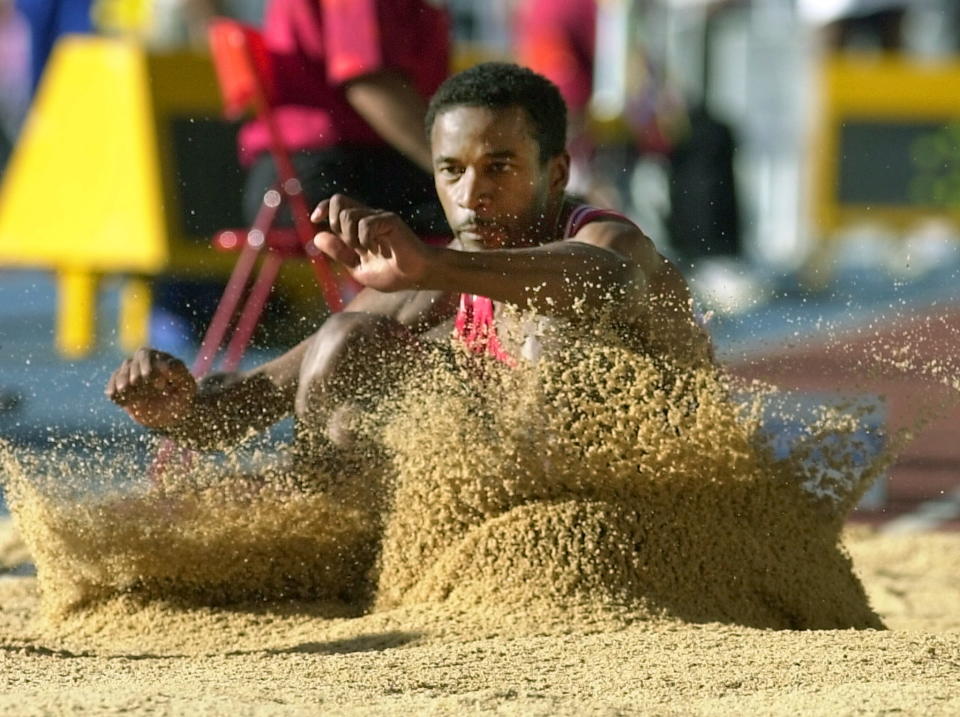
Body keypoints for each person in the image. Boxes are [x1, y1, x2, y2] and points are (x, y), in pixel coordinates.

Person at [105, 62, 712, 467]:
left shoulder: (607, 240)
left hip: (649, 510)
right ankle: (335, 549)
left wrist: (433, 269)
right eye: (452, 170)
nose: (472, 194)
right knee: (345, 340)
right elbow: (255, 400)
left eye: (499, 167)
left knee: (550, 333)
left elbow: (599, 283)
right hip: (490, 526)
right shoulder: (438, 276)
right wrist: (178, 409)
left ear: (556, 173)